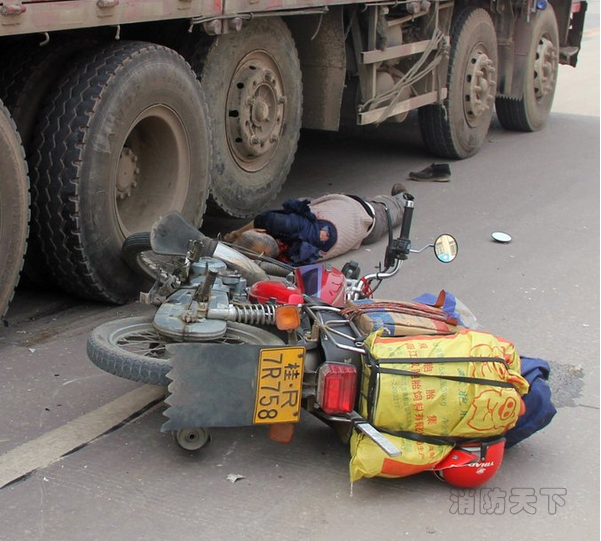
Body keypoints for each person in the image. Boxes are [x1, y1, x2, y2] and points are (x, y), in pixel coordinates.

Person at [223, 183, 411, 265]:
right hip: (364, 215)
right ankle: (406, 200)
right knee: (391, 207)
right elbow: (263, 219)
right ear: (262, 231)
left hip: (350, 222)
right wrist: (234, 235)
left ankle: (396, 200)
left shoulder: (287, 259)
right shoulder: (293, 226)